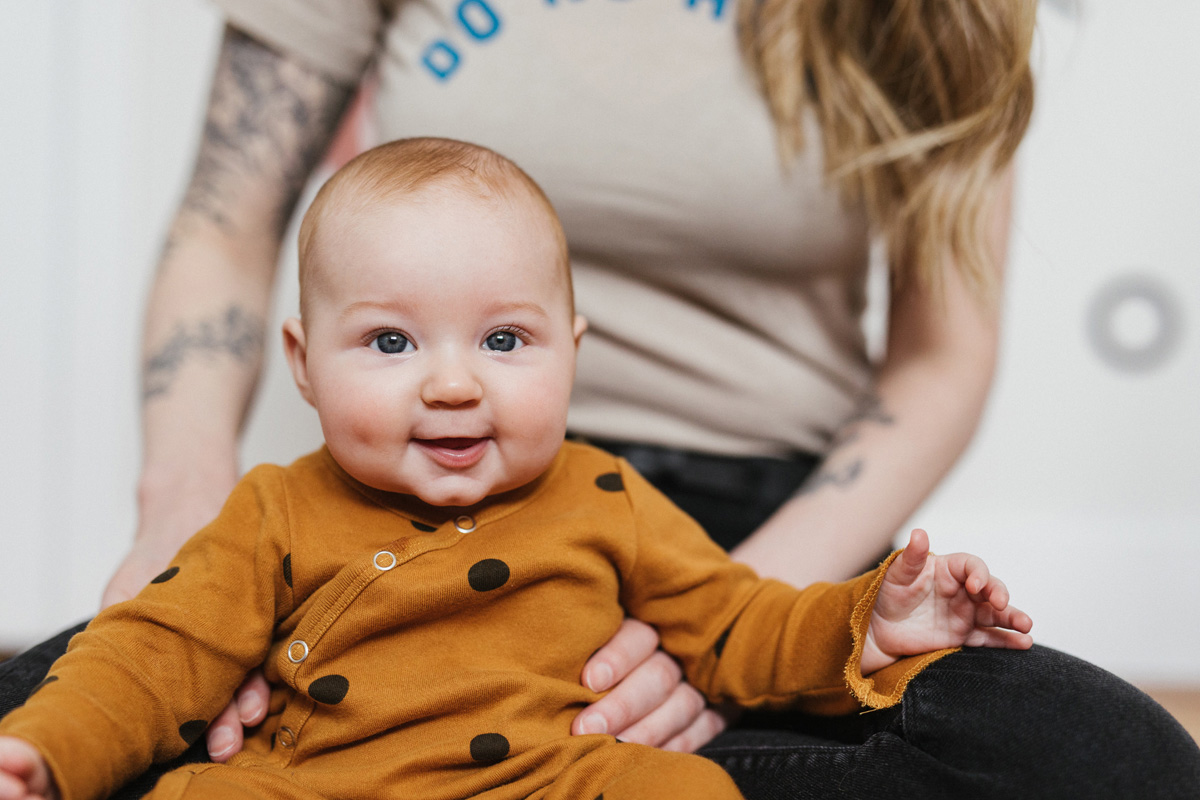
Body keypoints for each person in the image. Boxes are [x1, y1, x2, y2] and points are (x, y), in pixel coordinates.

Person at [2, 2, 1199, 798]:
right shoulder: (279, 515)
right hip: (351, 619)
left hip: (761, 537)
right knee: (49, 714)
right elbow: (224, 225)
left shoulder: (611, 502)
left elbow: (936, 365)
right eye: (393, 341)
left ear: (571, 346)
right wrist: (177, 530)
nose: (455, 380)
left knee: (1105, 755)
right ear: (306, 362)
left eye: (507, 340)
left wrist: (808, 633)